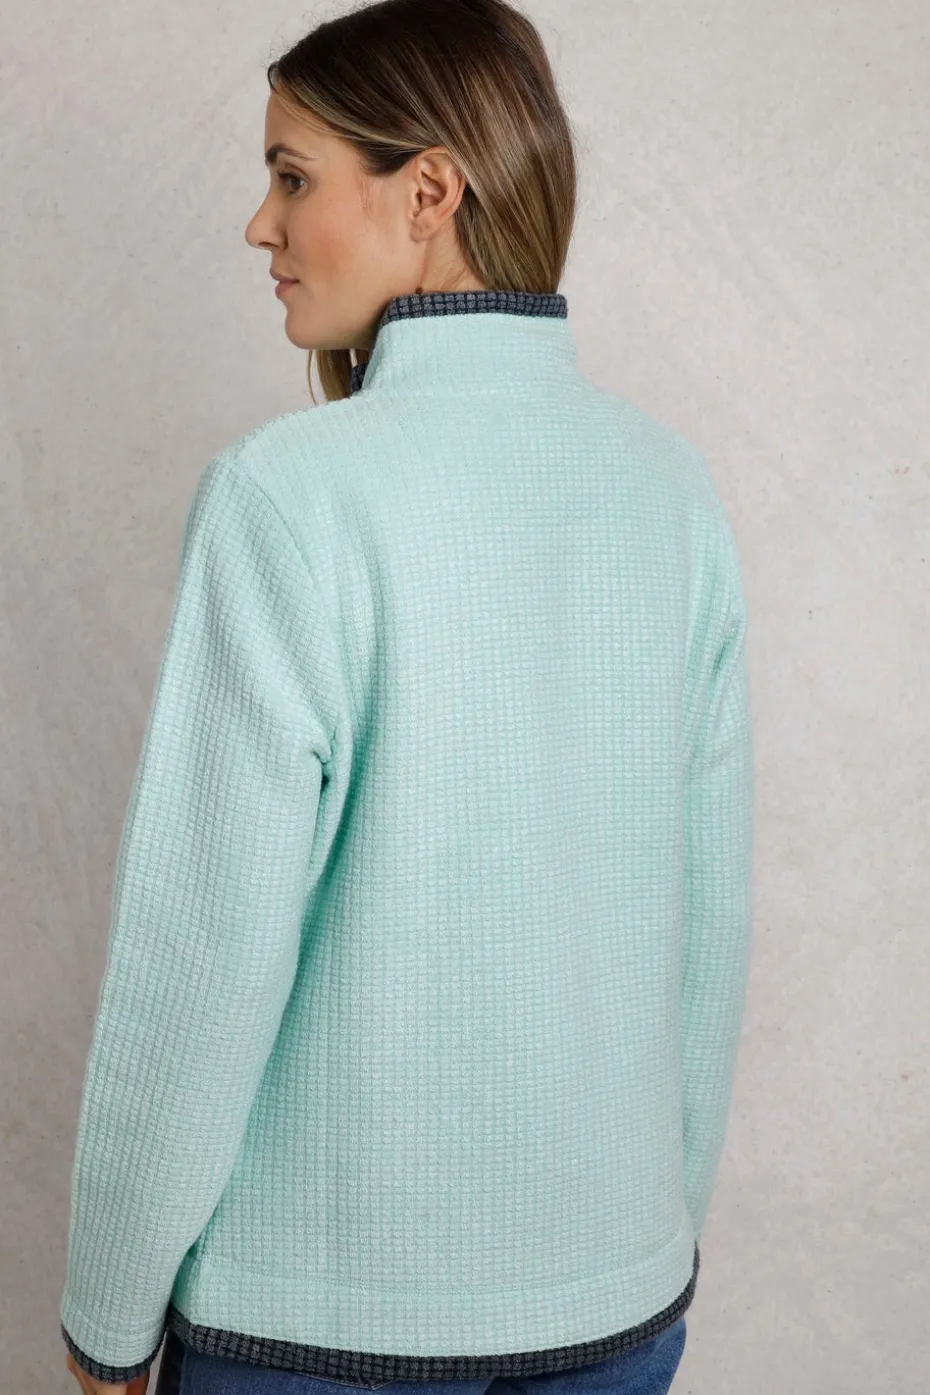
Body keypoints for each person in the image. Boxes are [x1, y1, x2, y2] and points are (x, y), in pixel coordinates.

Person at [59, 1, 754, 1393]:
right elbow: (706, 926)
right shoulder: (671, 492)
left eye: (293, 175)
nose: (260, 225)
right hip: (616, 1308)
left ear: (429, 191)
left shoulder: (287, 495)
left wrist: (108, 1309)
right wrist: (639, 1243)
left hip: (318, 1334)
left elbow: (201, 956)